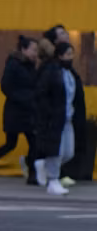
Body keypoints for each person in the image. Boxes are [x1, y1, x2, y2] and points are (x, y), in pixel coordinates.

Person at [0, 35, 39, 185]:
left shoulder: (31, 66)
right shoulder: (13, 64)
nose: (35, 53)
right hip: (15, 110)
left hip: (29, 110)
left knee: (34, 142)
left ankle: (32, 173)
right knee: (10, 144)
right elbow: (5, 87)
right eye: (33, 50)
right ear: (24, 49)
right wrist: (22, 98)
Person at [34, 41, 77, 196]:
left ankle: (43, 164)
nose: (70, 58)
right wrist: (49, 112)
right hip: (54, 117)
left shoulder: (69, 73)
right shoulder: (52, 71)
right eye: (67, 54)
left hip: (67, 117)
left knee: (68, 152)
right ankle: (53, 180)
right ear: (59, 55)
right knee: (56, 151)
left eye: (72, 54)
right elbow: (42, 93)